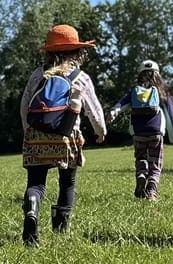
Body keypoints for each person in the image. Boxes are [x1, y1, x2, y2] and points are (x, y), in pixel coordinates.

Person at [18, 25, 107, 246]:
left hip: (36, 136)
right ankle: (60, 229)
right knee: (67, 181)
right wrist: (101, 132)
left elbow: (24, 105)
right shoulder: (81, 77)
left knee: (36, 182)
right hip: (66, 137)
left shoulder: (38, 74)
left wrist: (27, 131)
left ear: (49, 52)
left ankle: (32, 208)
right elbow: (94, 110)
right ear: (78, 52)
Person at [108, 60, 173, 200]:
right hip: (156, 132)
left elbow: (122, 103)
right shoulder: (161, 92)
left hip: (138, 132)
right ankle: (152, 191)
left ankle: (141, 174)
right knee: (155, 162)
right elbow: (170, 115)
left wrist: (113, 112)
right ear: (157, 75)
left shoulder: (134, 91)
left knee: (141, 157)